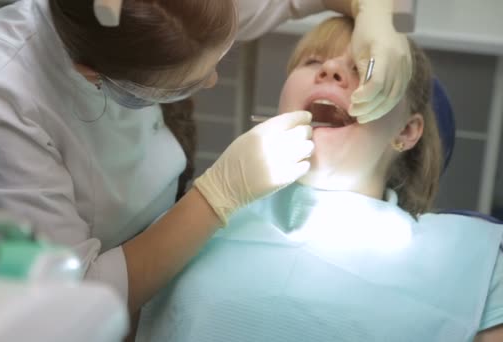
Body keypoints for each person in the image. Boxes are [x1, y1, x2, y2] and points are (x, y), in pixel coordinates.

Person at [0, 0, 412, 317]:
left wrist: (374, 15)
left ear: (410, 132)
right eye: (187, 80)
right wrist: (217, 196)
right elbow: (70, 303)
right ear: (95, 75)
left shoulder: (183, 7)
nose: (211, 83)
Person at [135, 16, 503, 341]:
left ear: (406, 131)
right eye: (313, 61)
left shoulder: (480, 264)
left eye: (365, 68)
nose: (329, 70)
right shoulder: (194, 218)